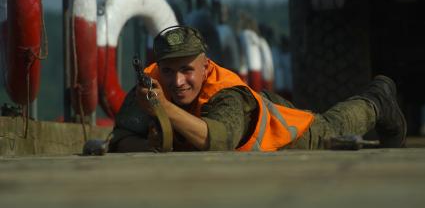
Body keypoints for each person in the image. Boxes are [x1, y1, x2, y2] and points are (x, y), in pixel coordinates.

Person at [109, 26, 407, 152]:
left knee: (331, 127)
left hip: (281, 129)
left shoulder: (225, 92)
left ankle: (378, 99)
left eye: (187, 70)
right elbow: (119, 138)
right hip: (254, 110)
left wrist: (164, 111)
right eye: (168, 71)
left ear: (205, 66)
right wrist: (155, 145)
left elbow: (220, 141)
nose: (177, 82)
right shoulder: (151, 85)